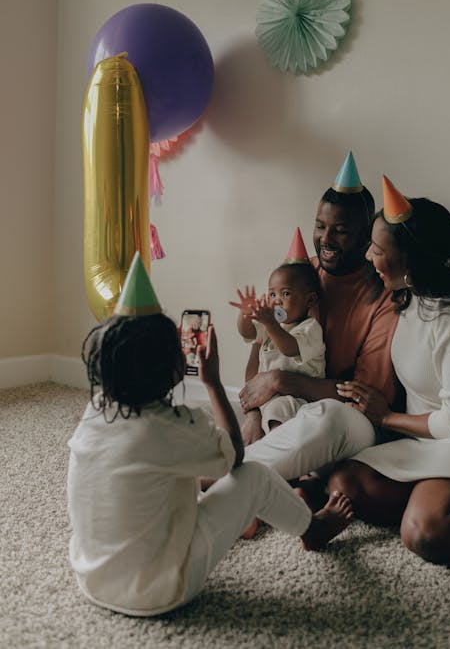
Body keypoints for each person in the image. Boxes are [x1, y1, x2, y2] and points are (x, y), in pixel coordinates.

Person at [67, 253, 354, 617]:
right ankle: (312, 529)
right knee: (253, 477)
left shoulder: (94, 412)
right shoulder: (178, 424)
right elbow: (235, 457)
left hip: (91, 579)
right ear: (172, 366)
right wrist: (214, 383)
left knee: (161, 480)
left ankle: (257, 517)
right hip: (160, 591)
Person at [303, 176, 450, 563]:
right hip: (425, 444)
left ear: (408, 259)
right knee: (345, 484)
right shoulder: (409, 299)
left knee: (424, 533)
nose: (367, 257)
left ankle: (439, 504)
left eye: (376, 249)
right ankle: (436, 497)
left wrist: (387, 417)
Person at [241, 152, 401, 480]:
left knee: (326, 420)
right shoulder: (301, 275)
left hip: (346, 416)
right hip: (284, 405)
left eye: (341, 231)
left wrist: (283, 382)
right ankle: (278, 482)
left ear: (365, 235)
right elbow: (264, 353)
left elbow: (365, 397)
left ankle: (229, 477)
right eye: (320, 226)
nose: (325, 240)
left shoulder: (382, 295)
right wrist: (254, 414)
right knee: (215, 405)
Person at [230, 228, 325, 439]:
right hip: (267, 396)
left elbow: (290, 348)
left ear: (309, 301)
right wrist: (245, 314)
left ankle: (276, 450)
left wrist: (270, 323)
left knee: (277, 411)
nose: (276, 301)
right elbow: (246, 332)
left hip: (298, 398)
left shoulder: (310, 329)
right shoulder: (270, 324)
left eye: (286, 294)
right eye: (272, 294)